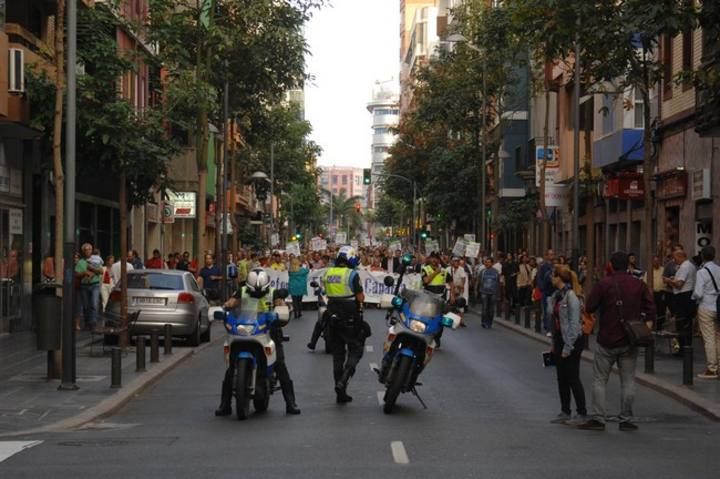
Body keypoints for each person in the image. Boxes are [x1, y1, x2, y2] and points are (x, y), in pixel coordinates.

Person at [578, 251, 655, 432]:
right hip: (629, 340)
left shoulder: (603, 284)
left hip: (607, 338)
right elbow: (651, 309)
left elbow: (590, 306)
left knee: (599, 380)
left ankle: (598, 419)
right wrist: (646, 327)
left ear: (611, 265)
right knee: (628, 381)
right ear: (628, 265)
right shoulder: (638, 284)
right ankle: (626, 419)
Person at [215, 268, 300, 416]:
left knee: (279, 365)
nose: (257, 293)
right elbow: (230, 303)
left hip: (269, 331)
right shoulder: (241, 291)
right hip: (244, 330)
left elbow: (281, 306)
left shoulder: (273, 292)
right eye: (254, 290)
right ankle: (225, 405)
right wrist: (224, 311)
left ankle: (290, 403)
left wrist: (281, 313)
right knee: (231, 367)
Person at [322, 246, 368, 404]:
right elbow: (360, 298)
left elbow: (324, 292)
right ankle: (344, 379)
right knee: (356, 349)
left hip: (332, 316)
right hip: (349, 317)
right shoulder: (352, 274)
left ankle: (339, 392)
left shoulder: (327, 273)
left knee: (338, 355)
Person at [549, 265, 587, 424]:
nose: (551, 278)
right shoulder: (556, 295)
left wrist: (568, 347)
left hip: (572, 341)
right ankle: (565, 410)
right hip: (559, 339)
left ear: (559, 278)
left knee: (572, 377)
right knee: (561, 377)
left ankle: (581, 412)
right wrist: (554, 343)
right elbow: (555, 321)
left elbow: (574, 324)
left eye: (553, 275)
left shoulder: (571, 296)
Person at [692, 246, 720, 379]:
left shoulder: (702, 272)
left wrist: (693, 298)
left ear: (703, 256)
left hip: (706, 307)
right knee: (719, 337)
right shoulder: (719, 269)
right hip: (718, 306)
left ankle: (712, 368)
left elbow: (698, 292)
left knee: (709, 338)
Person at [664, 248, 697, 357]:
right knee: (686, 324)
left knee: (681, 323)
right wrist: (675, 278)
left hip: (683, 297)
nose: (674, 260)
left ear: (680, 256)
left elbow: (679, 284)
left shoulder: (684, 267)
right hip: (687, 296)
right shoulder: (690, 266)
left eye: (675, 258)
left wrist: (669, 280)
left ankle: (683, 349)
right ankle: (686, 347)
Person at [75, 243, 102, 331]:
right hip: (84, 286)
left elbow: (101, 271)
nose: (88, 251)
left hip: (95, 285)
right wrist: (84, 273)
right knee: (86, 306)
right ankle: (87, 323)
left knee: (94, 304)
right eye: (86, 250)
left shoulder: (96, 260)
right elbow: (77, 274)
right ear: (83, 251)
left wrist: (92, 269)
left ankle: (93, 323)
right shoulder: (80, 262)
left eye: (90, 249)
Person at [536, 249, 556, 336]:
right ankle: (548, 328)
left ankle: (553, 327)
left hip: (554, 292)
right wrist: (543, 288)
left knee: (553, 311)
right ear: (547, 256)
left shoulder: (555, 266)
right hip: (547, 292)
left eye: (553, 254)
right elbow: (539, 279)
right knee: (547, 311)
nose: (552, 256)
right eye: (550, 255)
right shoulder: (543, 267)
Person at [478, 257, 500, 328]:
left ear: (492, 263)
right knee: (484, 308)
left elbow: (498, 283)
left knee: (491, 309)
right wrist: (479, 290)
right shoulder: (482, 271)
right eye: (486, 262)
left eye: (489, 262)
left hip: (493, 292)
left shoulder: (496, 272)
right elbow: (480, 281)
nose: (487, 263)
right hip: (484, 292)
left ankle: (489, 322)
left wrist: (498, 293)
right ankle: (483, 321)